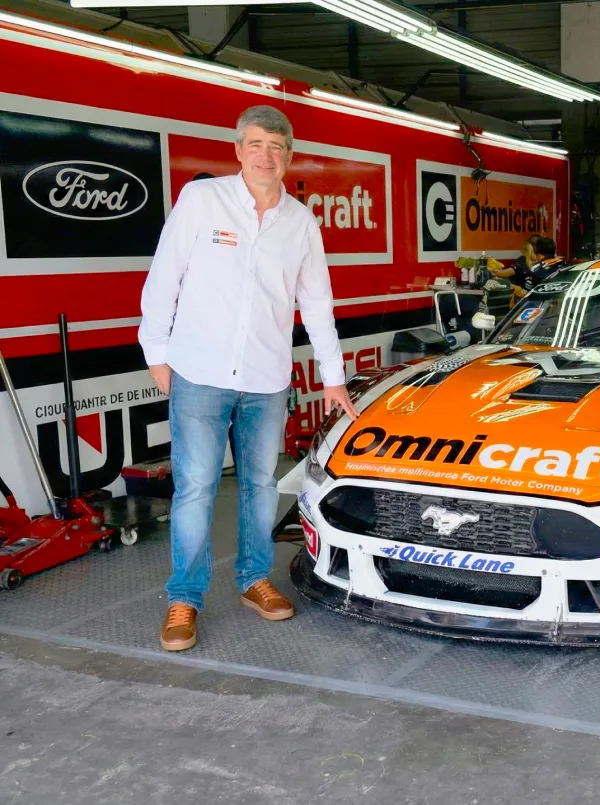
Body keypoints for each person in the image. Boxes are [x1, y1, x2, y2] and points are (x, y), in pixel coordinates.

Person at [139, 105, 357, 652]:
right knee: (195, 488)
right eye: (256, 144)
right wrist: (157, 352)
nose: (266, 155)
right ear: (238, 150)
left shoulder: (301, 223)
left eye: (276, 147)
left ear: (289, 157)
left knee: (261, 486)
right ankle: (184, 598)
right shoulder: (202, 200)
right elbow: (164, 275)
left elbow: (318, 305)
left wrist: (334, 378)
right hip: (200, 371)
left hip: (265, 377)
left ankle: (254, 579)